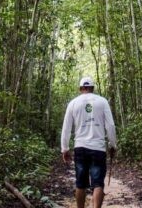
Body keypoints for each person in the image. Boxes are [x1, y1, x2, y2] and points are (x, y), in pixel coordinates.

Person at [60, 77, 118, 208]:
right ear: (93, 88)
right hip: (98, 148)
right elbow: (110, 126)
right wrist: (113, 144)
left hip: (80, 147)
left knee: (80, 183)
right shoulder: (102, 102)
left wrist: (65, 149)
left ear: (81, 88)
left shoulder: (73, 103)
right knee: (98, 183)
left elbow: (66, 127)